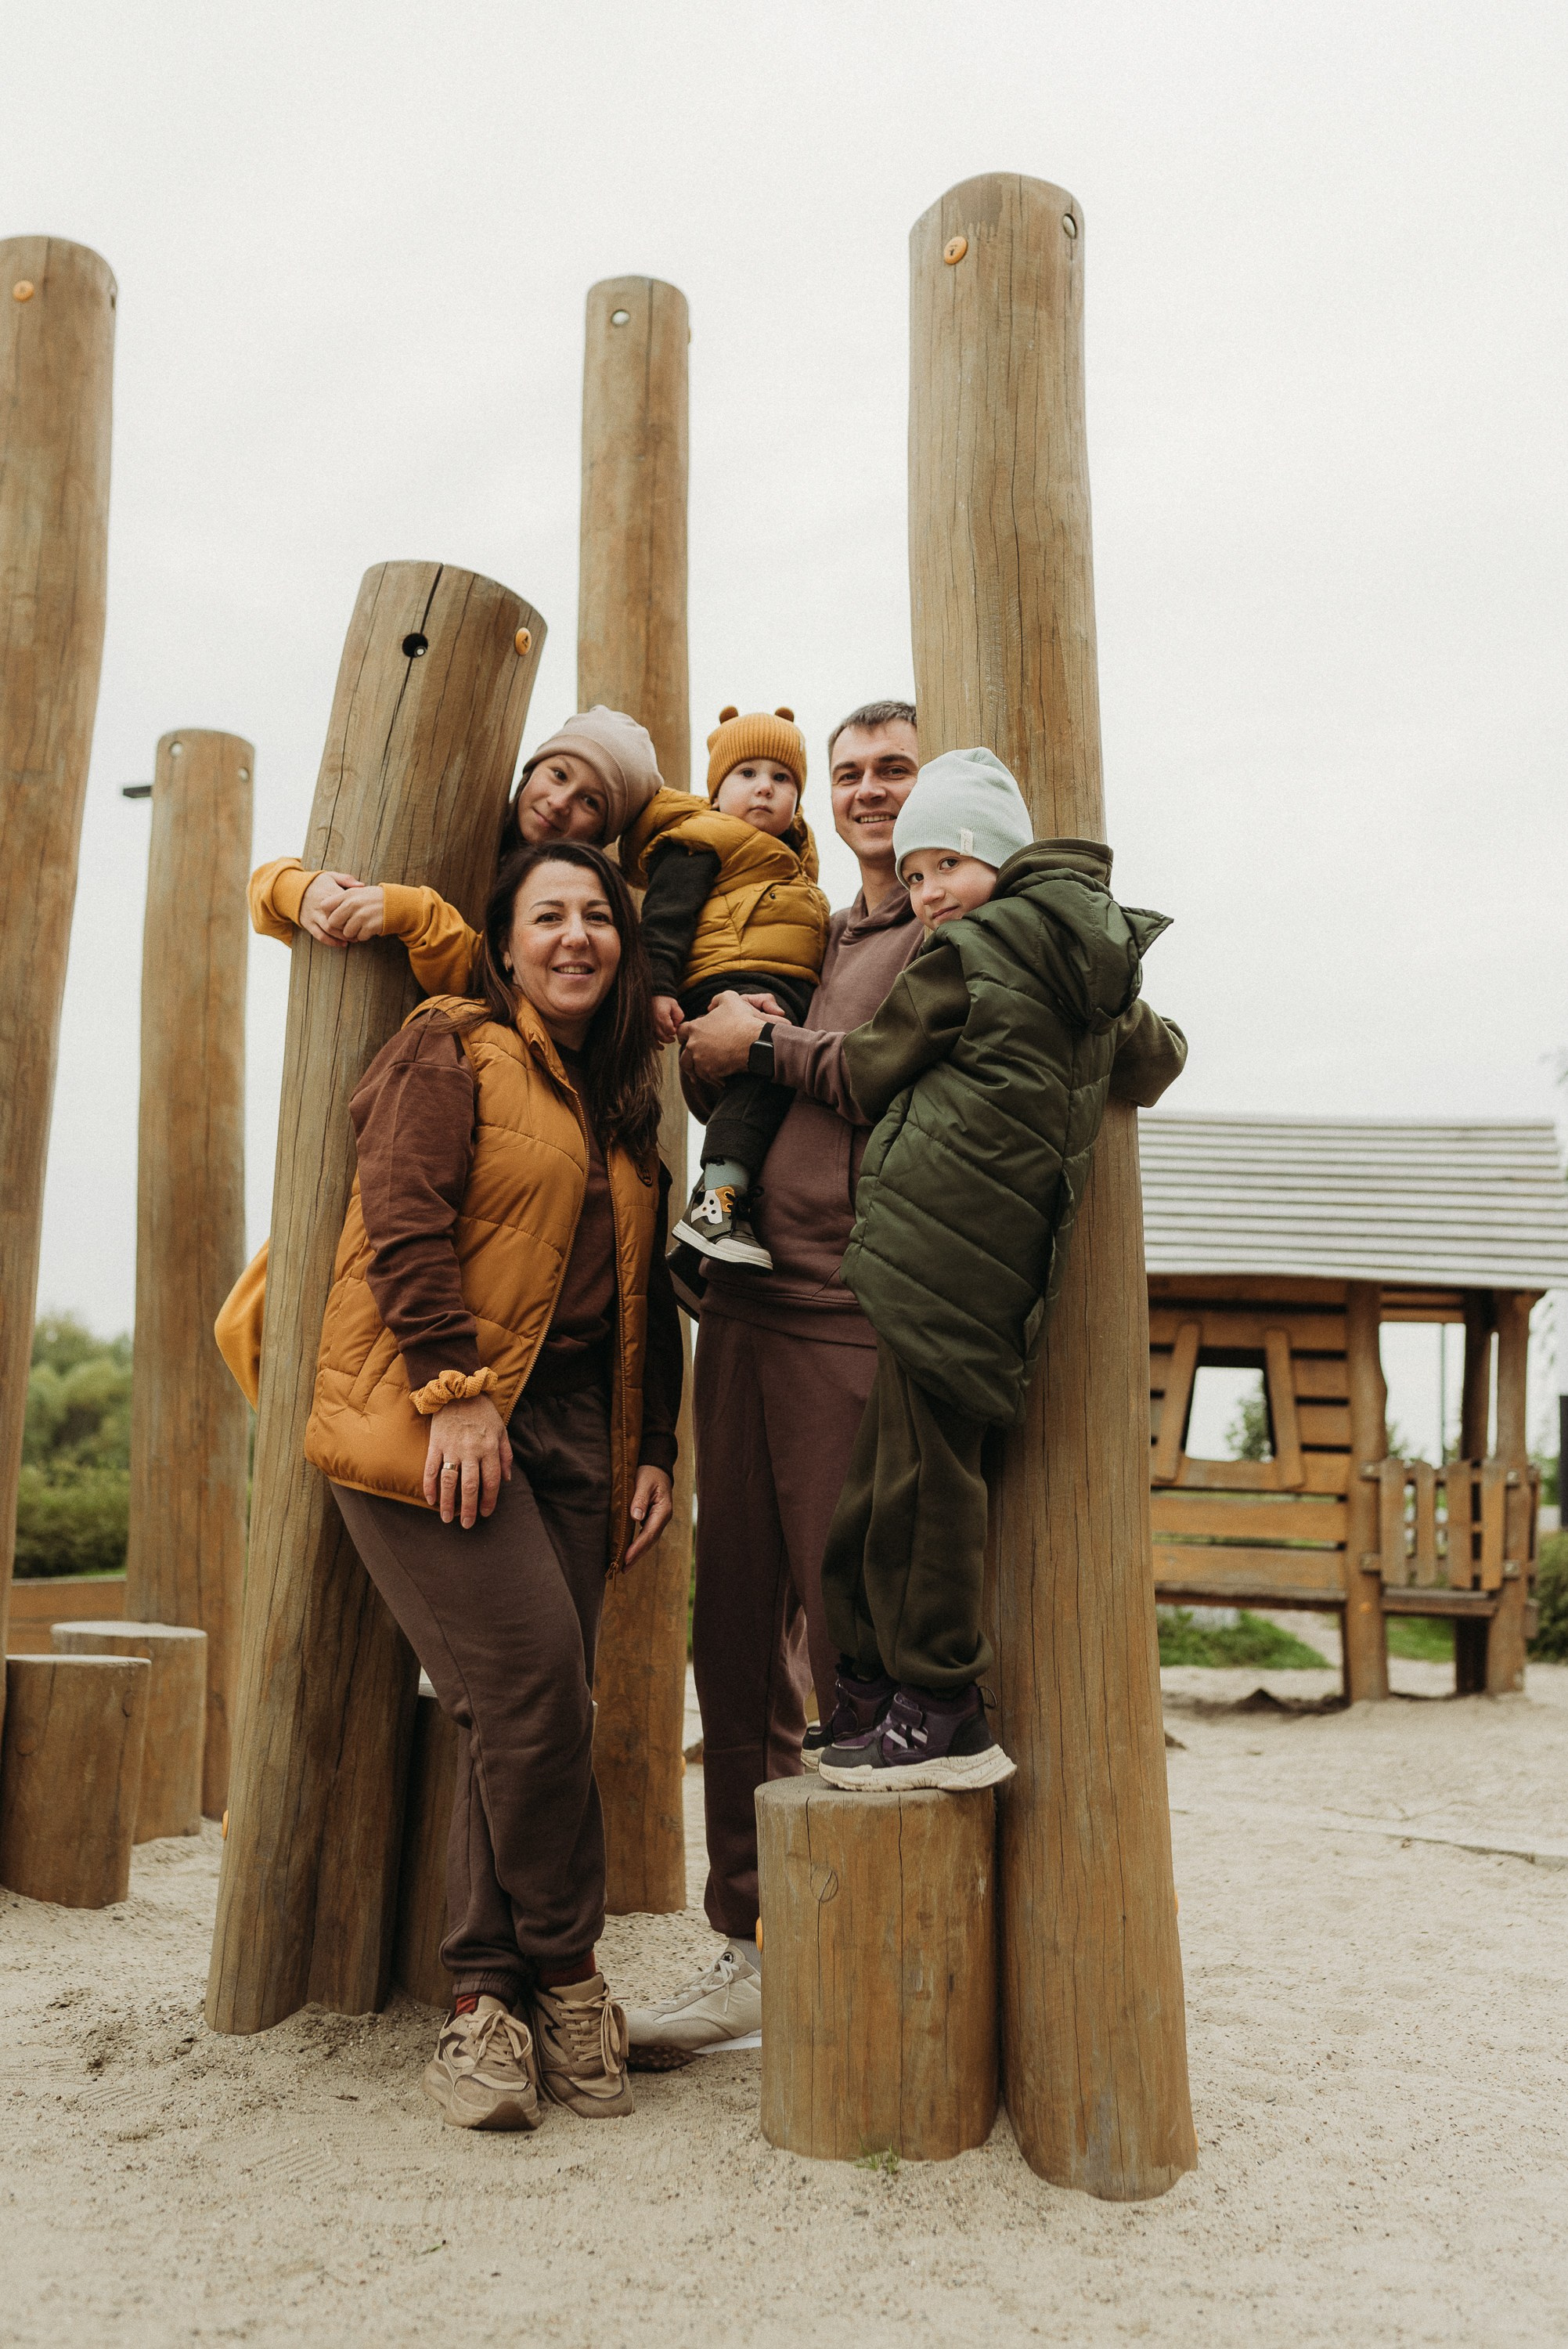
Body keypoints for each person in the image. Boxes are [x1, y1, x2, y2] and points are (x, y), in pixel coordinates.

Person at [300, 839, 681, 2129]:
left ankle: (481, 2005)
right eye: (548, 917)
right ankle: (567, 1983)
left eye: (597, 918)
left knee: (514, 1711)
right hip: (433, 1417)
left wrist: (655, 1451)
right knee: (530, 1699)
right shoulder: (451, 1041)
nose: (575, 936)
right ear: (507, 943)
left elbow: (655, 1298)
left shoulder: (621, 1103)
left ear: (619, 949)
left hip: (578, 1439)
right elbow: (399, 1215)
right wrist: (453, 1390)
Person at [622, 699, 925, 2063]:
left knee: (848, 1623)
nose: (866, 792)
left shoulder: (951, 928)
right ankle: (748, 1941)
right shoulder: (801, 913)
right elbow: (723, 1085)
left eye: (891, 772)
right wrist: (704, 1048)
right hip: (735, 1300)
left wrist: (758, 1048)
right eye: (849, 773)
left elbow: (888, 1072)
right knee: (729, 1635)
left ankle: (882, 1931)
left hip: (844, 1309)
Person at [807, 747, 1187, 1790]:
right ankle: (875, 1689)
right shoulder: (1087, 969)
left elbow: (871, 1062)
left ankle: (937, 1707)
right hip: (994, 1267)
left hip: (930, 1249)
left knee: (916, 1486)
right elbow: (1159, 1058)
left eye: (942, 868)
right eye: (916, 876)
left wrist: (765, 1050)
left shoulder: (966, 953)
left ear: (995, 860)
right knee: (901, 1477)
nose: (926, 896)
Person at [214, 706, 669, 1390]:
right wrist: (297, 890)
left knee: (348, 1290)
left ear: (600, 836)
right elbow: (279, 882)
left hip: (465, 1113)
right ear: (528, 772)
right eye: (556, 774)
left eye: (589, 805)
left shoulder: (557, 904)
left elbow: (504, 986)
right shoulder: (450, 832)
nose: (560, 803)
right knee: (248, 1322)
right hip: (379, 1085)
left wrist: (424, 917)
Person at [622, 705, 830, 1273]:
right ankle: (714, 1210)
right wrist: (656, 990)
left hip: (770, 985)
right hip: (722, 982)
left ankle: (704, 1237)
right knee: (764, 1073)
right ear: (715, 792)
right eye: (746, 774)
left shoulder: (793, 868)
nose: (764, 787)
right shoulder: (704, 839)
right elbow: (664, 919)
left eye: (781, 778)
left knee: (781, 1091)